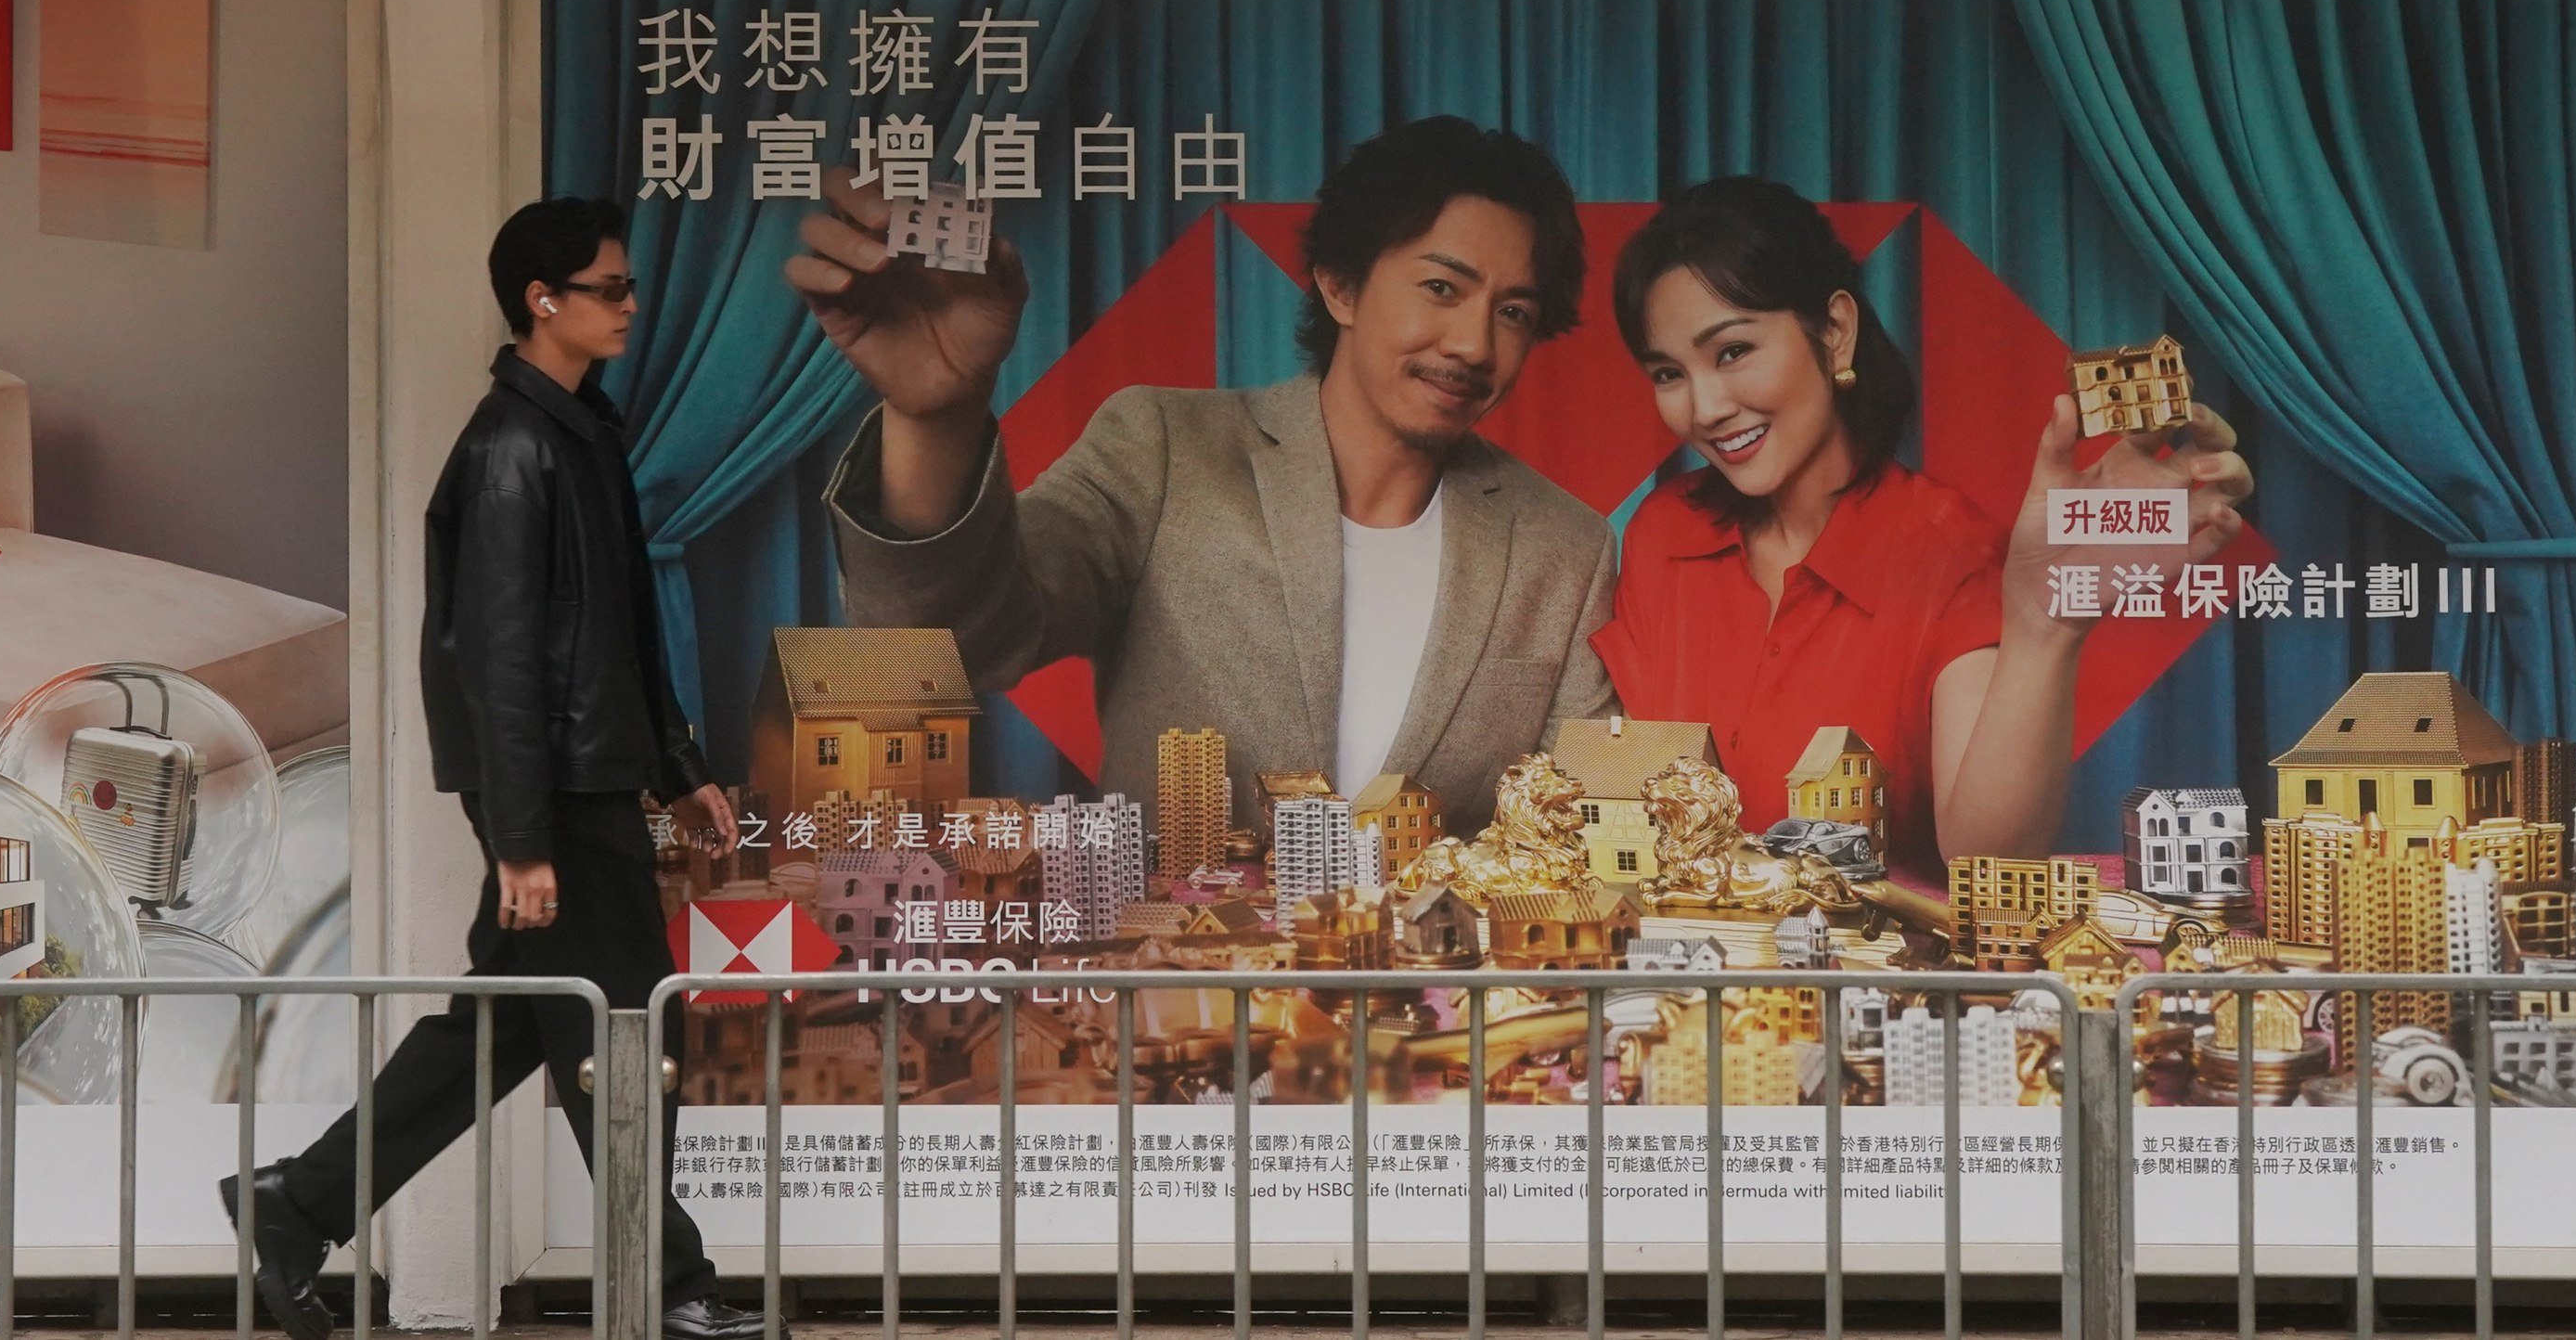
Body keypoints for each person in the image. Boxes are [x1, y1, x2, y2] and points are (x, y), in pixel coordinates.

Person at [792, 115, 1622, 848]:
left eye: (1512, 312)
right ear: (1339, 284)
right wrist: (937, 418)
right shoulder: (1164, 448)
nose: (1475, 345)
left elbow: (1578, 836)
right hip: (1177, 1003)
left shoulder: (1567, 546)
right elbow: (955, 645)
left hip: (1438, 1011)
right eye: (1441, 288)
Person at [225, 200, 759, 1340]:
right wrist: (519, 839)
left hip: (587, 780)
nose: (630, 305)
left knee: (507, 1029)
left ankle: (296, 1203)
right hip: (556, 798)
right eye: (610, 289)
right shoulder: (512, 452)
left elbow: (620, 632)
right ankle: (669, 1285)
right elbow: (496, 663)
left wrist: (680, 768)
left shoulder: (580, 430)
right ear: (543, 301)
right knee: (629, 1036)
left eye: (625, 286)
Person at [1592, 176, 2254, 867]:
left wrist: (2046, 627)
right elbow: (1634, 809)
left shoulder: (1945, 548)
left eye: (1731, 352)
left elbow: (1988, 861)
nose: (1703, 407)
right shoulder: (1663, 533)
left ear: (1835, 331)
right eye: (1668, 373)